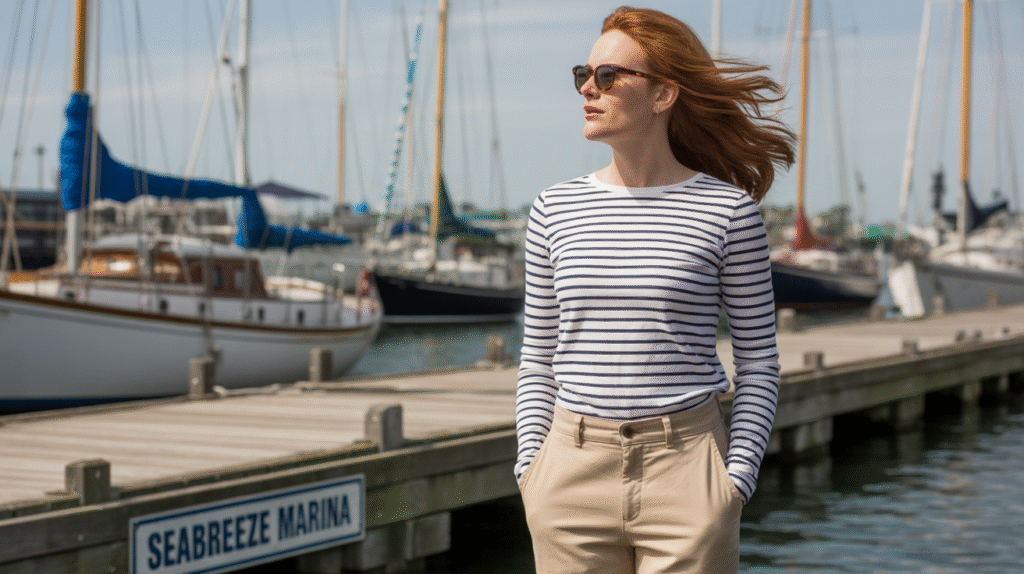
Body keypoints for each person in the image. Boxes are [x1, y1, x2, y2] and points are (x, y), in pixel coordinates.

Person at [515, 6, 797, 574]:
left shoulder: (728, 212)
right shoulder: (554, 209)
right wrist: (531, 469)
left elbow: (760, 362)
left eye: (608, 76)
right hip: (569, 469)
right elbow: (538, 356)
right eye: (583, 75)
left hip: (689, 468)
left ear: (664, 94)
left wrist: (733, 481)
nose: (587, 90)